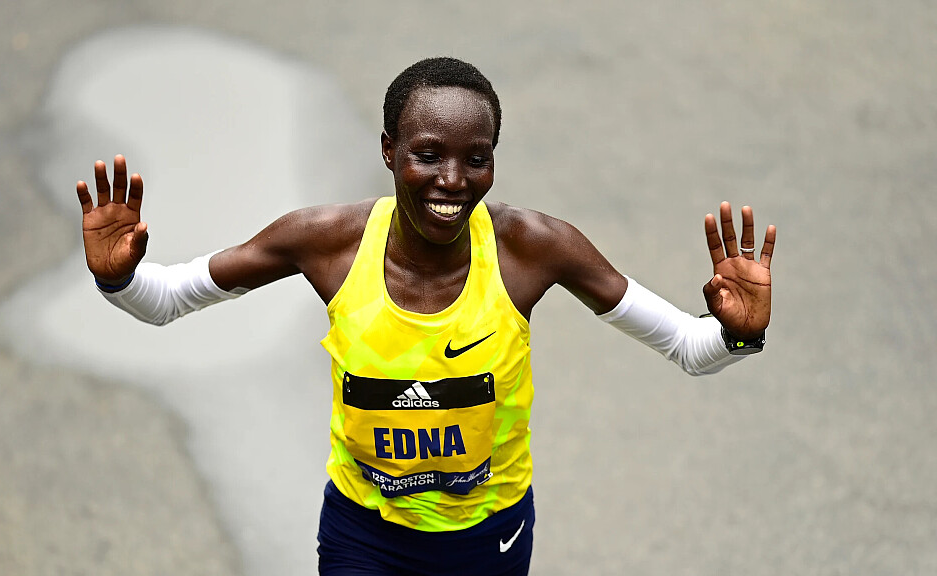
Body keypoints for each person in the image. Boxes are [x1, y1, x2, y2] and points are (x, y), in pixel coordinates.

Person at [75, 57, 775, 576]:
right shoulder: (325, 243)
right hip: (363, 534)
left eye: (477, 159)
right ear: (388, 150)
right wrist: (119, 278)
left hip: (489, 537)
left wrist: (737, 333)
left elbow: (689, 347)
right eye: (428, 155)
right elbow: (165, 301)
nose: (452, 181)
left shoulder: (536, 249)